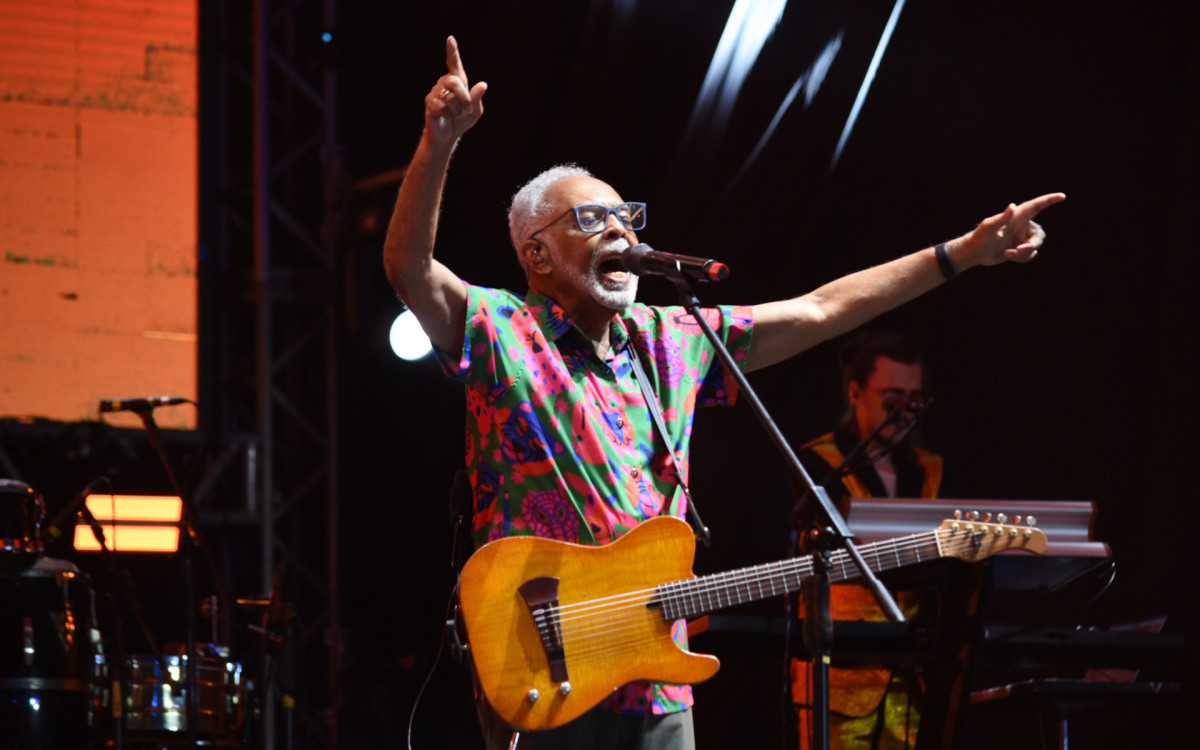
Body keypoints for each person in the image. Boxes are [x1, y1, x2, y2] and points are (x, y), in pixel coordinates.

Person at [382, 36, 1064, 750]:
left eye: (627, 217)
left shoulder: (671, 341)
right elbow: (409, 268)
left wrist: (960, 254)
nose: (619, 230)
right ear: (537, 253)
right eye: (592, 220)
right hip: (545, 665)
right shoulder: (504, 331)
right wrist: (439, 142)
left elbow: (820, 310)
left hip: (657, 677)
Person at [790, 331, 942, 750]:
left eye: (914, 400)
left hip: (912, 682)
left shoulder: (931, 470)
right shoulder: (816, 464)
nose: (906, 412)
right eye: (893, 399)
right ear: (856, 392)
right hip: (840, 678)